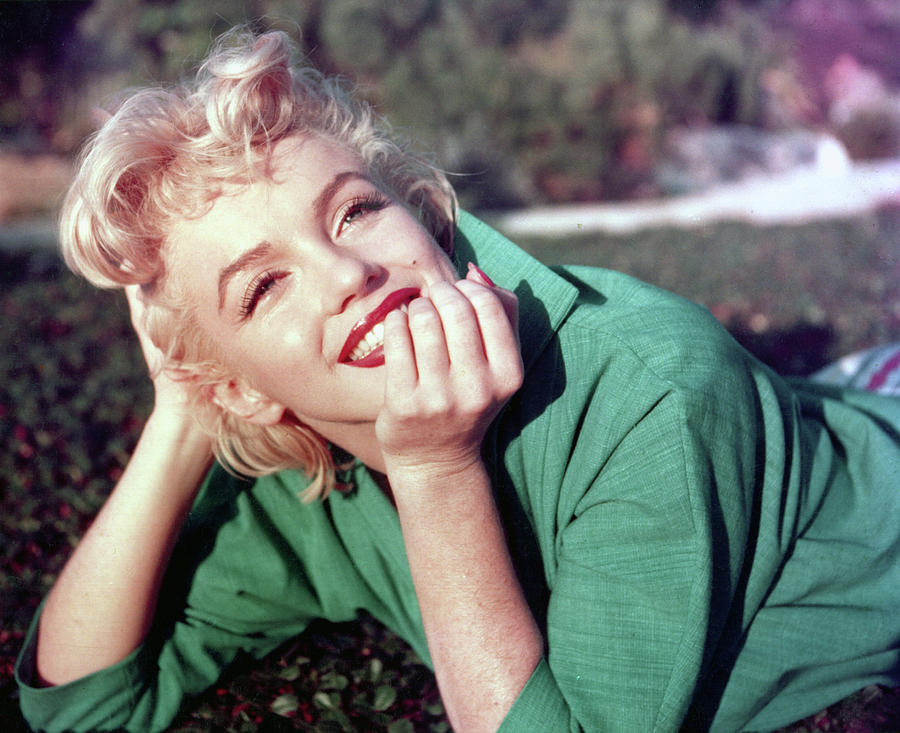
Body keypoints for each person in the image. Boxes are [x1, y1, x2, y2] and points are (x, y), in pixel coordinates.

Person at [15, 28, 900, 733]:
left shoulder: (650, 391)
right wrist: (182, 413)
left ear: (422, 215)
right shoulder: (312, 470)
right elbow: (79, 703)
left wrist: (437, 469)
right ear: (244, 388)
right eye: (264, 285)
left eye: (355, 210)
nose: (348, 273)